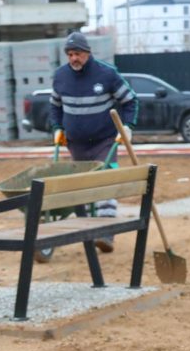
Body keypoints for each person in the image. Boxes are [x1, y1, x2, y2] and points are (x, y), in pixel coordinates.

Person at [49, 32, 139, 253]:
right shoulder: (60, 77)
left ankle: (106, 233)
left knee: (104, 179)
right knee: (86, 185)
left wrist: (127, 126)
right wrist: (57, 128)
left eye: (77, 53)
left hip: (104, 140)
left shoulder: (107, 74)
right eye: (70, 54)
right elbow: (54, 105)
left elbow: (130, 100)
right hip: (76, 142)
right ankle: (90, 229)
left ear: (87, 53)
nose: (73, 59)